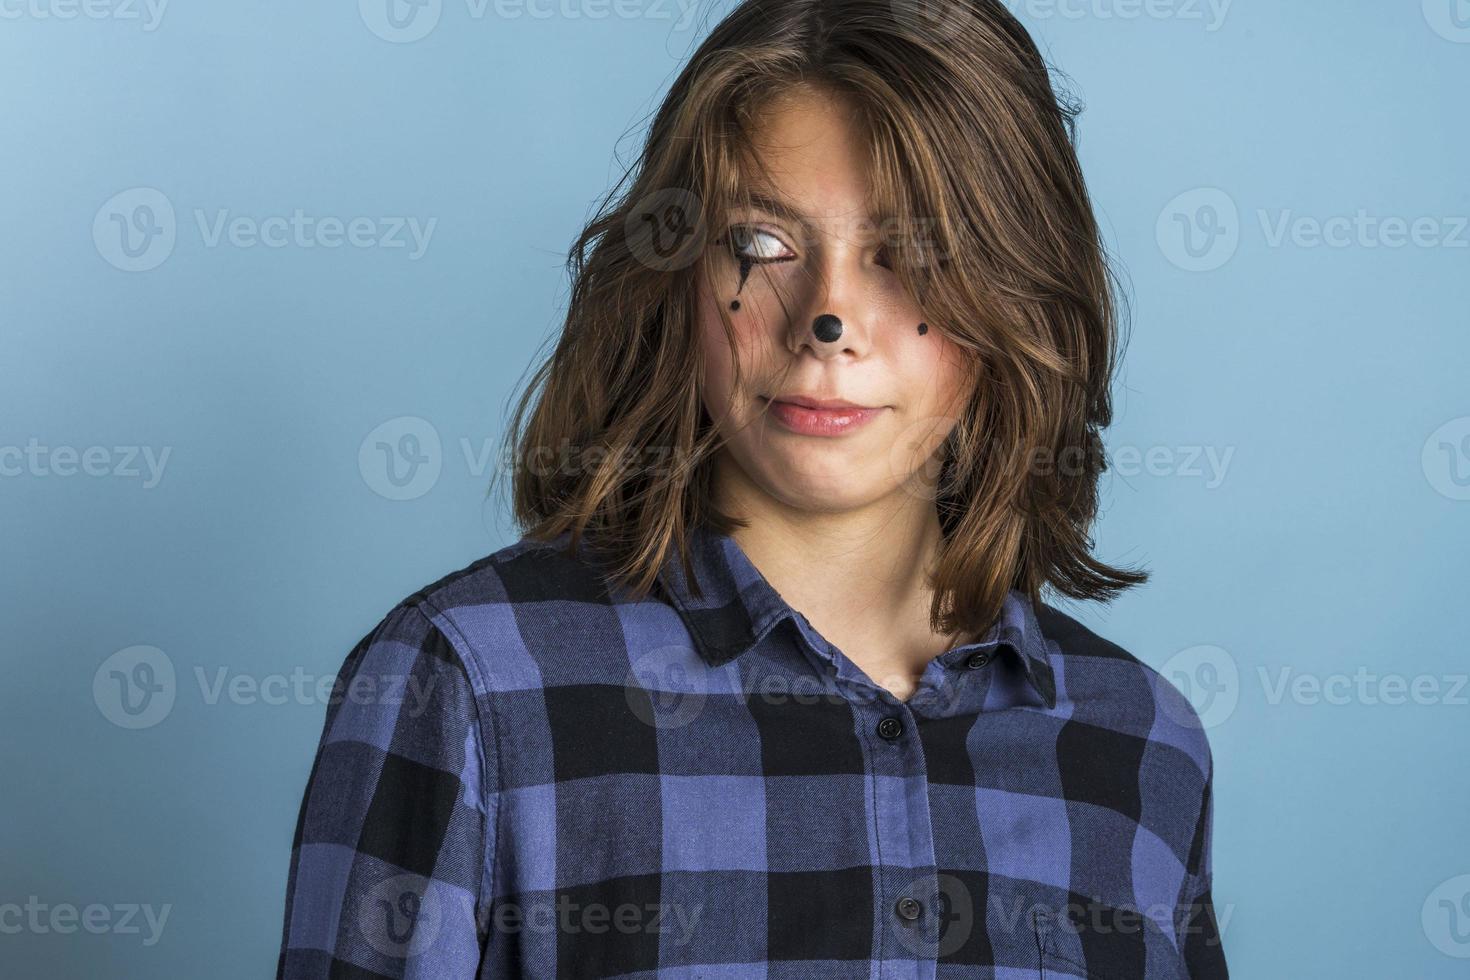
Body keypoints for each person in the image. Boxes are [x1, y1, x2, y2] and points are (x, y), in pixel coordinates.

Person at [276, 0, 1227, 976]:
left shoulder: (1140, 742)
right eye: (762, 245)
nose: (828, 319)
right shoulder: (469, 684)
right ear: (678, 270)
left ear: (1017, 295)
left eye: (915, 255)